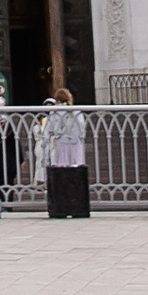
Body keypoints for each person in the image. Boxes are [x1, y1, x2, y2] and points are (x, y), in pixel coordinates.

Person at [40, 88, 90, 222]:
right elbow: (82, 129)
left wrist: (47, 147)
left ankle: (61, 204)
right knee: (75, 171)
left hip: (60, 144)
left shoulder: (54, 112)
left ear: (57, 100)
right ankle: (76, 203)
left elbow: (48, 131)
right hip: (75, 144)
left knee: (60, 172)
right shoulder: (76, 111)